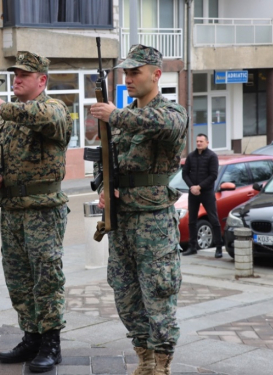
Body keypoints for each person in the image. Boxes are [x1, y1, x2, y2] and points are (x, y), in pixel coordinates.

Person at [91, 45, 188, 375]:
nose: (128, 78)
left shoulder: (170, 111)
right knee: (126, 295)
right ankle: (143, 360)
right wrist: (104, 186)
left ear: (156, 74)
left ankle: (161, 366)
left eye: (135, 72)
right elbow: (104, 160)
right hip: (122, 222)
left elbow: (166, 125)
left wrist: (114, 115)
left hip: (154, 223)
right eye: (126, 73)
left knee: (158, 296)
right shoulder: (119, 118)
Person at [0, 51, 72, 373]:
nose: (16, 80)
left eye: (24, 75)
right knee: (18, 278)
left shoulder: (55, 109)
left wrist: (2, 108)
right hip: (14, 210)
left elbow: (45, 118)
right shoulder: (8, 119)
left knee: (46, 278)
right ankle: (31, 336)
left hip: (43, 210)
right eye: (14, 75)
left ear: (42, 80)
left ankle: (51, 343)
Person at [182, 134, 222, 258]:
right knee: (192, 220)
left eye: (201, 141)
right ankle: (192, 246)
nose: (199, 143)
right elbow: (185, 174)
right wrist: (192, 187)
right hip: (193, 193)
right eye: (197, 141)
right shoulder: (191, 156)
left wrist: (199, 187)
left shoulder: (212, 156)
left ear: (207, 142)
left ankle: (219, 247)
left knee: (214, 219)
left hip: (207, 192)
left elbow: (213, 175)